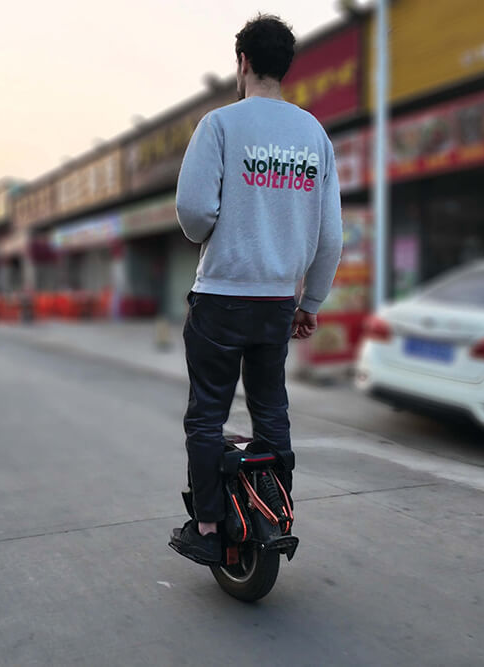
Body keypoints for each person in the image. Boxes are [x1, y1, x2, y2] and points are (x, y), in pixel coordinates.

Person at [169, 14, 343, 564]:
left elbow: (194, 213)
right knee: (271, 409)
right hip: (276, 304)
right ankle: (277, 506)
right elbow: (330, 237)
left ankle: (208, 524)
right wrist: (309, 303)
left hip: (221, 297)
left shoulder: (219, 125)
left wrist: (212, 229)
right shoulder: (313, 134)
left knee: (207, 415)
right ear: (285, 67)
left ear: (242, 62)